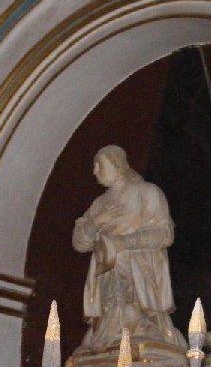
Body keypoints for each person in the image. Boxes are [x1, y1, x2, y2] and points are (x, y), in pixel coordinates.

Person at [72, 145, 187, 354]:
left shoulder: (147, 193)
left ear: (116, 164)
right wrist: (96, 222)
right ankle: (110, 333)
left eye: (99, 165)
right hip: (106, 276)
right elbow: (80, 243)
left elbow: (164, 234)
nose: (95, 171)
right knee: (101, 333)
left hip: (138, 274)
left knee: (134, 321)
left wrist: (123, 243)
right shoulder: (99, 204)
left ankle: (140, 327)